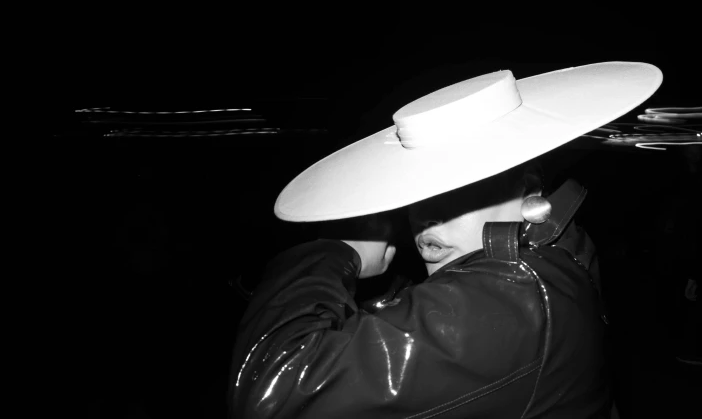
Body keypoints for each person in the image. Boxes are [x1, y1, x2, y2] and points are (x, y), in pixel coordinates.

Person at [228, 62, 663, 418]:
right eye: (419, 189)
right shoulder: (553, 251)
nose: (428, 212)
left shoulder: (513, 298)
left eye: (462, 185)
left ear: (528, 187)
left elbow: (272, 391)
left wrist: (336, 251)